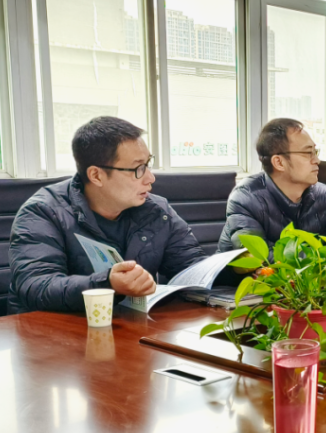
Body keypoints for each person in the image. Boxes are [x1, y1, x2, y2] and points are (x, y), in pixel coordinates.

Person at [8, 117, 207, 315]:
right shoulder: (42, 212)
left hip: (125, 324)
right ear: (96, 176)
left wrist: (224, 271)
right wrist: (107, 284)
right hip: (48, 329)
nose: (150, 178)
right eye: (138, 168)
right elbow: (37, 286)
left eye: (148, 164)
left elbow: (191, 268)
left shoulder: (156, 210)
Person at [218, 118, 326, 252]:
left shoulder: (324, 195)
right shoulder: (246, 198)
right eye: (308, 153)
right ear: (279, 162)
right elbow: (257, 258)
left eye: (315, 152)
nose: (317, 160)